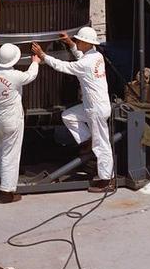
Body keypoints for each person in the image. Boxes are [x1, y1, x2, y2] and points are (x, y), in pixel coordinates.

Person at [32, 26, 115, 192]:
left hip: (95, 109)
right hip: (94, 106)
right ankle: (87, 140)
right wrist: (70, 43)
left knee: (101, 145)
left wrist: (43, 55)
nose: (77, 42)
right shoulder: (96, 55)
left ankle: (107, 180)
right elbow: (80, 57)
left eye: (79, 41)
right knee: (68, 116)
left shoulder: (86, 63)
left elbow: (63, 66)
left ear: (87, 43)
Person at [0, 39, 39, 203]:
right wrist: (35, 61)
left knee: (3, 150)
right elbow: (31, 75)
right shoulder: (16, 76)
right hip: (12, 120)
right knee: (11, 155)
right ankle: (6, 192)